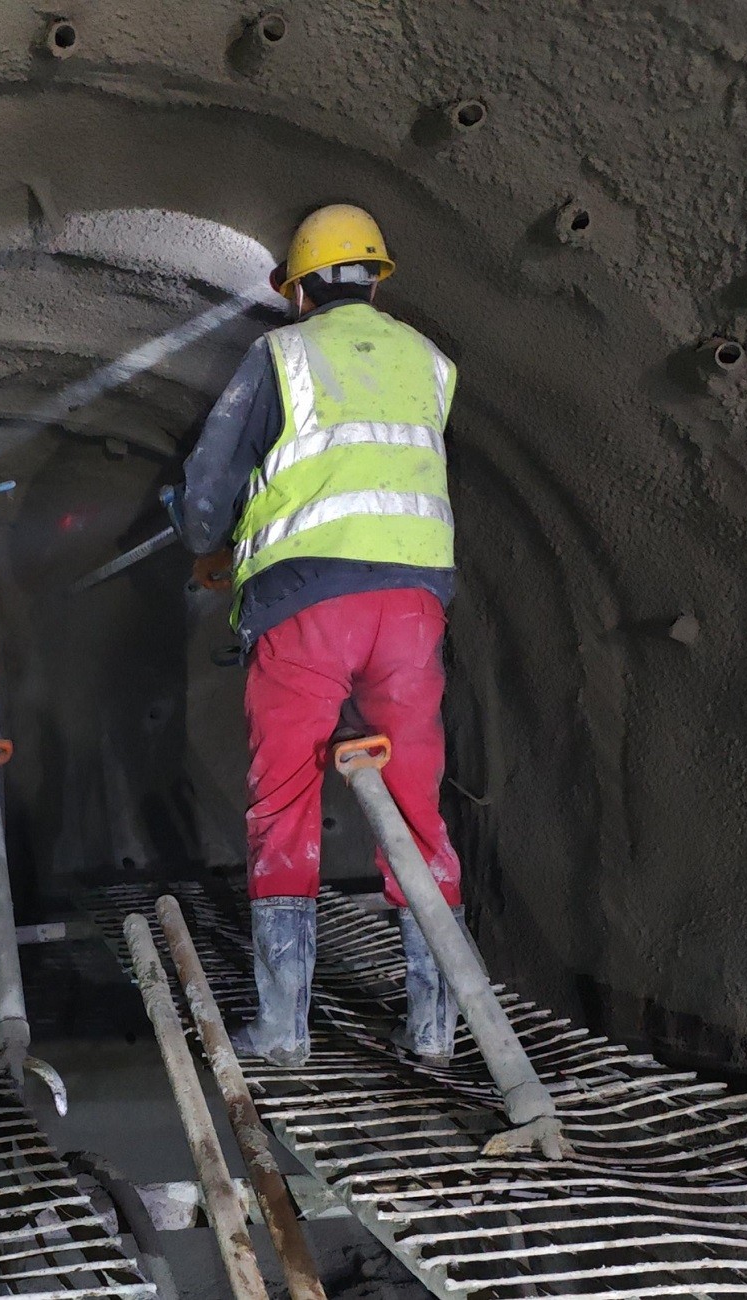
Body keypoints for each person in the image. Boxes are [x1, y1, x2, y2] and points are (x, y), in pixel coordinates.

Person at [179, 204, 462, 1067]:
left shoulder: (282, 356)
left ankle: (283, 1031)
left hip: (305, 602)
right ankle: (437, 1028)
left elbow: (207, 484)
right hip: (414, 603)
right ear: (376, 279)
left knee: (284, 808)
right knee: (417, 812)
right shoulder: (432, 362)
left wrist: (210, 548)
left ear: (298, 291)